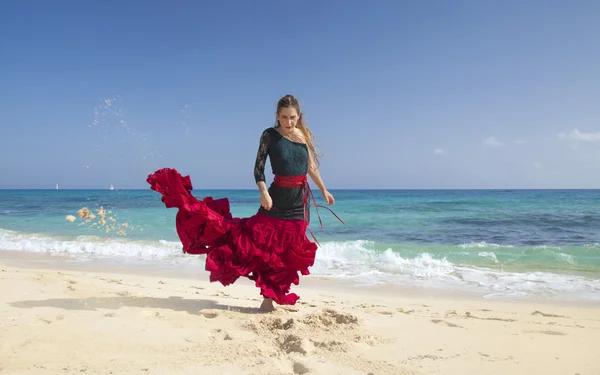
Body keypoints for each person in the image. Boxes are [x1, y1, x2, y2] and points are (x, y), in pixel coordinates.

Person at [146, 94, 341, 312]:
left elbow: (310, 166)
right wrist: (264, 192)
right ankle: (268, 300)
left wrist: (324, 189)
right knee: (259, 245)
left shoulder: (302, 135)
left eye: (293, 117)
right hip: (275, 201)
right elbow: (258, 168)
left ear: (299, 116)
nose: (288, 122)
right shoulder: (269, 135)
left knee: (289, 250)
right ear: (277, 116)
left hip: (298, 203)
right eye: (284, 117)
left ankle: (274, 294)